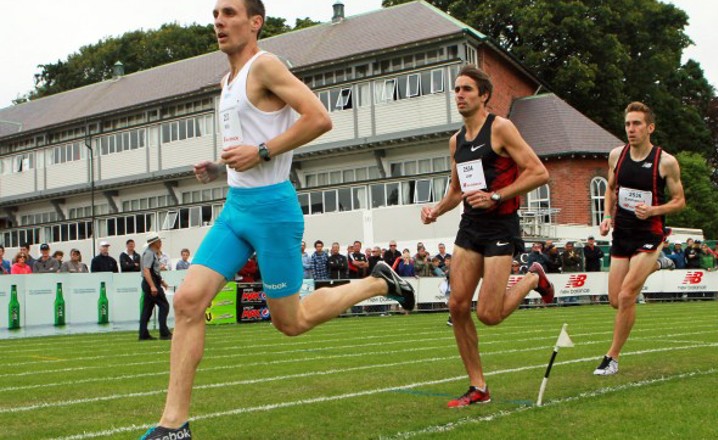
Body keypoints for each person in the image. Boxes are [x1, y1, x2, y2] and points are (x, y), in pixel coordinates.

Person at [140, 3, 415, 437]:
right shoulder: (226, 82)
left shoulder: (265, 67)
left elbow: (320, 118)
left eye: (229, 12)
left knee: (292, 322)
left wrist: (263, 152)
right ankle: (174, 426)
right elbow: (245, 146)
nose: (218, 21)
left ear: (255, 22)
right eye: (215, 13)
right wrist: (219, 167)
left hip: (272, 212)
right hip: (236, 208)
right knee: (188, 302)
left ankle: (378, 283)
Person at [420, 64, 553, 408]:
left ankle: (532, 279)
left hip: (500, 227)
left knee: (490, 315)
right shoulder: (456, 141)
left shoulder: (501, 129)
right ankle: (478, 386)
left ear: (484, 96)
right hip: (470, 227)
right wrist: (435, 210)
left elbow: (539, 172)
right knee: (457, 305)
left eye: (466, 89)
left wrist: (497, 195)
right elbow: (456, 191)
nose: (459, 95)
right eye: (456, 89)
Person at [594, 101, 685, 376]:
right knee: (614, 299)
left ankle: (612, 358)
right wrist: (607, 216)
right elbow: (610, 189)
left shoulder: (665, 162)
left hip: (650, 234)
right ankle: (659, 264)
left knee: (627, 295)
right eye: (627, 124)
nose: (631, 129)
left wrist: (654, 210)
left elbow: (680, 201)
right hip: (622, 234)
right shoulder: (616, 156)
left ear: (650, 128)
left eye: (636, 124)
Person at [139, 233, 173, 342]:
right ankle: (164, 332)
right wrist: (153, 286)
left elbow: (153, 271)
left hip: (150, 282)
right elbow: (146, 270)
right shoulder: (149, 254)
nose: (161, 243)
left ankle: (143, 334)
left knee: (147, 310)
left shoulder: (150, 253)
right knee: (164, 305)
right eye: (159, 241)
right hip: (151, 283)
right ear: (154, 243)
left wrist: (161, 282)